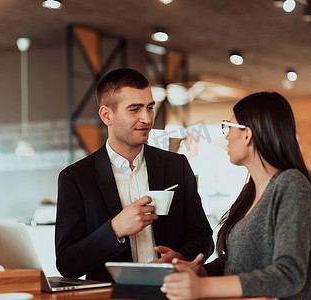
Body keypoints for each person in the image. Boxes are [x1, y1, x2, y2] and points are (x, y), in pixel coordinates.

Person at [55, 68, 214, 281]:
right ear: (106, 115)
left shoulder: (177, 166)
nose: (147, 118)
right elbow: (67, 263)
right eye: (134, 109)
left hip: (173, 292)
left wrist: (181, 256)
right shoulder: (75, 178)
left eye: (149, 107)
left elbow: (203, 236)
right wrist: (114, 230)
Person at [162, 92, 311, 299]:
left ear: (247, 134)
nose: (226, 135)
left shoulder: (291, 185)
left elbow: (289, 275)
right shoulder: (251, 191)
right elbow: (235, 263)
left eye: (228, 127)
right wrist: (201, 272)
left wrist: (203, 288)